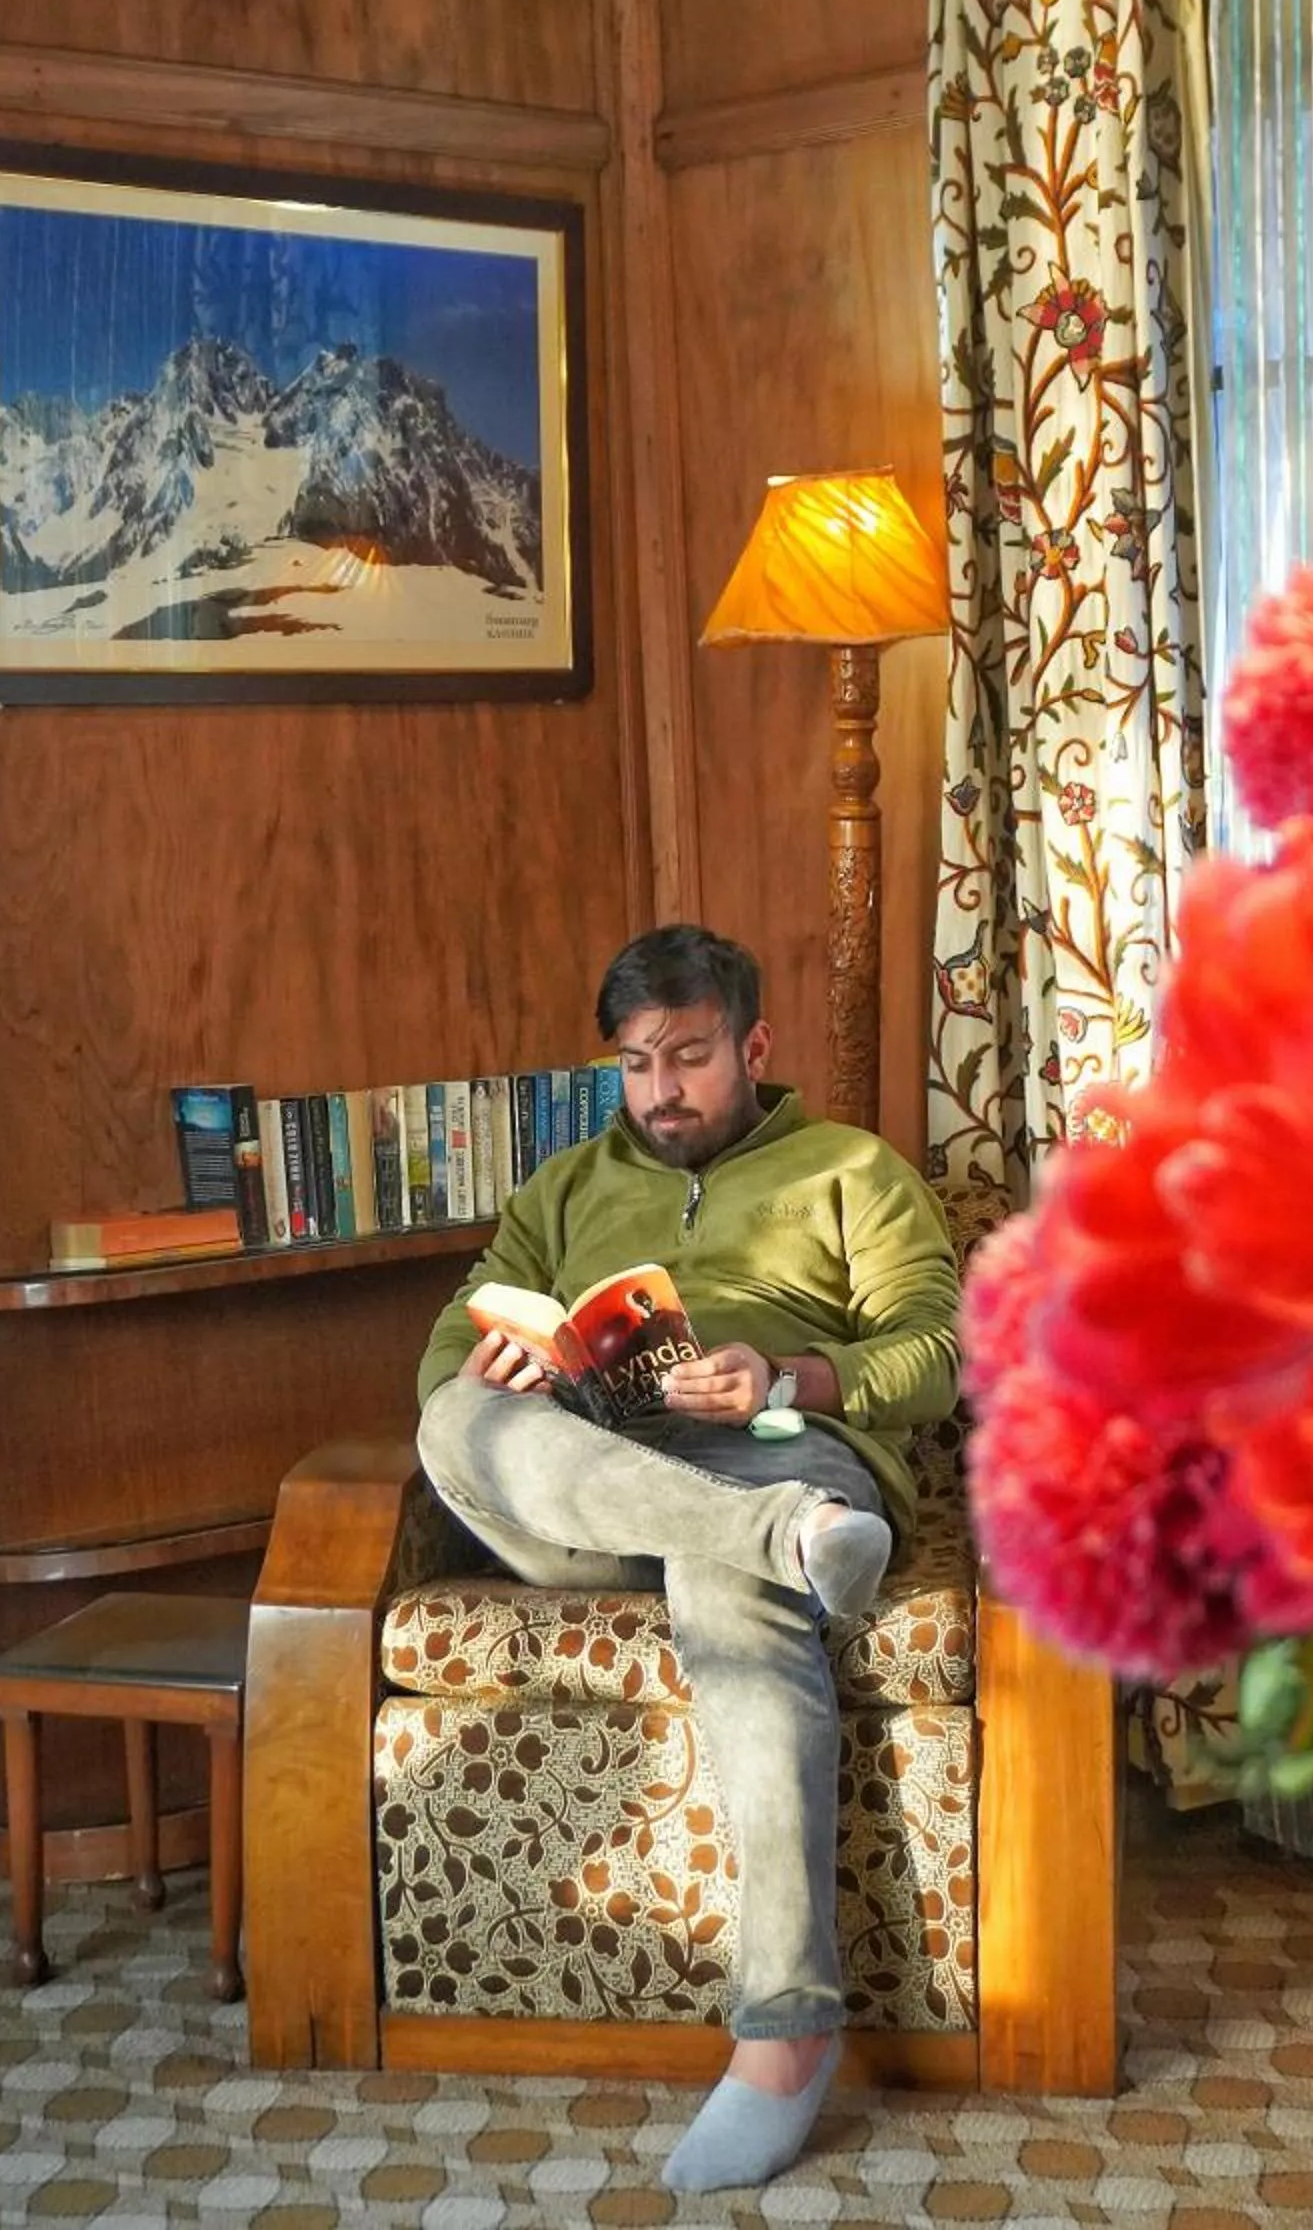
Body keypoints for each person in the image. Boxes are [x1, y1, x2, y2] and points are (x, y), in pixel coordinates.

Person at [416, 923, 960, 2193]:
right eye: (635, 1063)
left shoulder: (852, 1172)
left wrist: (786, 1376)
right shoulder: (562, 1190)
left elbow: (939, 1357)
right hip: (590, 1494)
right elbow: (448, 1346)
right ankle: (785, 1542)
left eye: (690, 1057)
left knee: (730, 1580)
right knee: (450, 1423)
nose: (659, 1091)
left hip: (773, 1448)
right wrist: (495, 1364)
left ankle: (786, 2034)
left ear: (753, 1047)